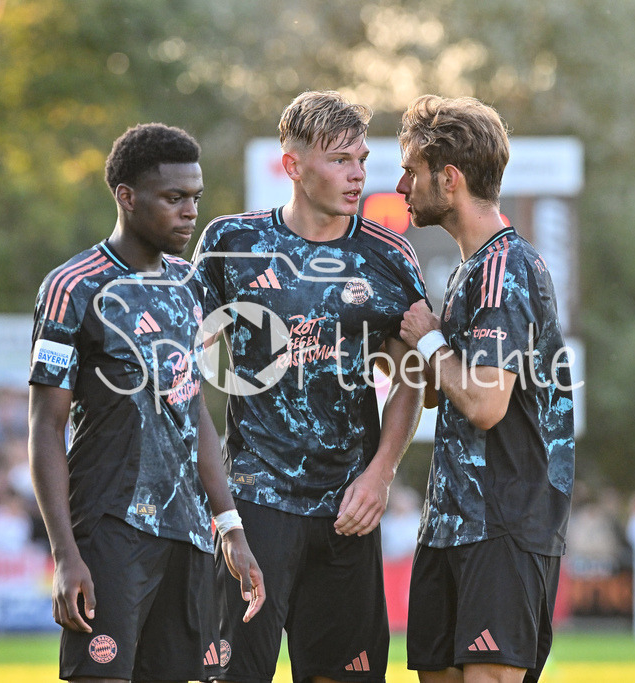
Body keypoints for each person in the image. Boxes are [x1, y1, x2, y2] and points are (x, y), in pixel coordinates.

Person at [192, 90, 427, 683]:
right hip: (255, 503)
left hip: (348, 511)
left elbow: (412, 377)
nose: (357, 175)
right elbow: (183, 358)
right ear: (292, 166)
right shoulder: (231, 244)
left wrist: (380, 475)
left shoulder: (388, 254)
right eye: (339, 160)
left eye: (361, 160)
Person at [28, 123, 264, 683]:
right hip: (111, 528)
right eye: (174, 198)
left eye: (195, 198)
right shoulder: (72, 288)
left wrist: (229, 525)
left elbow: (193, 408)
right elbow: (45, 428)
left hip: (190, 535)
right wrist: (65, 554)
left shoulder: (189, 285)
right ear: (127, 197)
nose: (190, 212)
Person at [396, 95, 576, 683]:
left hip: (502, 525)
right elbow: (441, 394)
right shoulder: (470, 271)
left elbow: (485, 403)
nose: (401, 186)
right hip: (450, 523)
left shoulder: (507, 267)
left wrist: (428, 340)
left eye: (411, 171)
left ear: (449, 179)